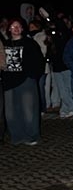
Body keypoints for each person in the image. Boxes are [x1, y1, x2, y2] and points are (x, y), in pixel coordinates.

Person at [1, 17, 46, 145]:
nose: (16, 28)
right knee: (11, 112)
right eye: (13, 26)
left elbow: (39, 62)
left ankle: (31, 136)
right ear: (9, 29)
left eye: (18, 26)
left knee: (29, 110)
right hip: (9, 82)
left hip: (26, 80)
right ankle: (17, 136)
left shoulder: (30, 43)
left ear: (22, 28)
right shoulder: (5, 44)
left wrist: (31, 76)